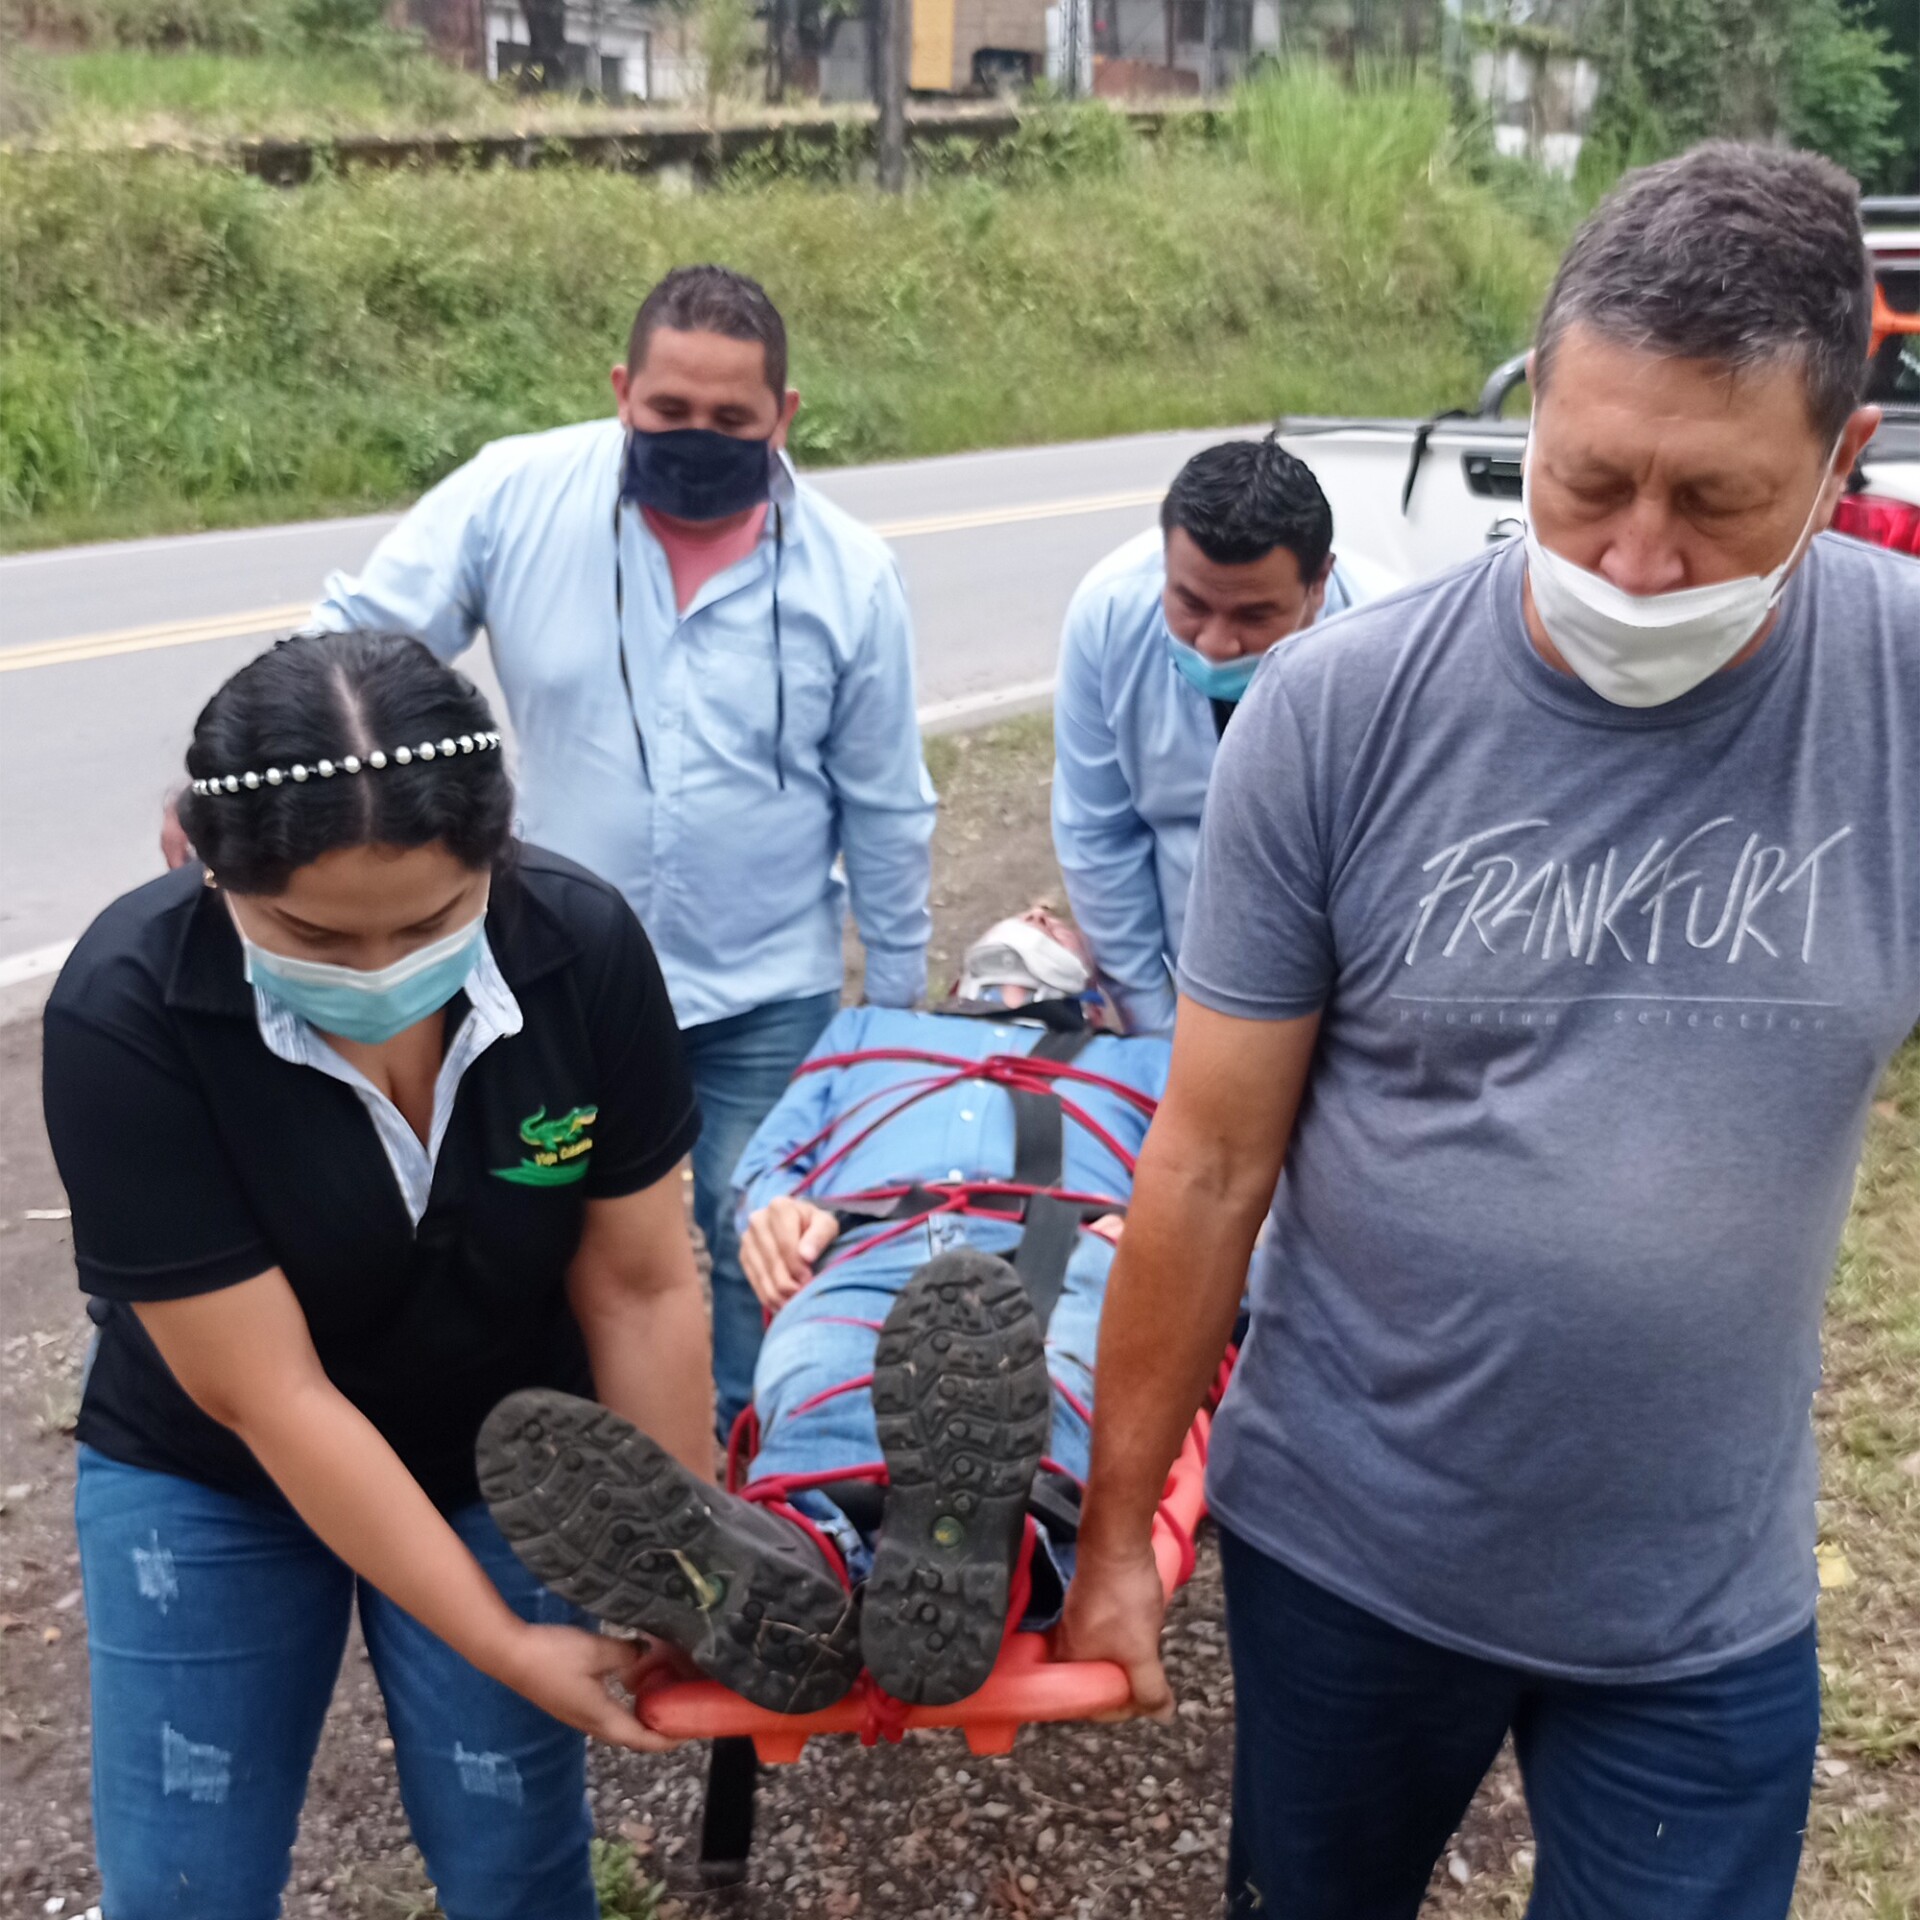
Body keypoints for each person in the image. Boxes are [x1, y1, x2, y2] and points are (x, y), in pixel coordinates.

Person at [1061, 142, 1920, 1920]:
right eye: (1587, 476)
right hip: (1351, 1556)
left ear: (1845, 464)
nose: (1638, 553)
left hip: (1703, 1599)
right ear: (1531, 401)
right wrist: (1117, 1536)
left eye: (1719, 501)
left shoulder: (1900, 697)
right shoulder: (1338, 712)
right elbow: (1213, 1157)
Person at [46, 631, 710, 1917]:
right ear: (193, 851)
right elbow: (268, 1395)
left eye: (430, 922)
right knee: (190, 1881)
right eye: (308, 933)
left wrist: (672, 1555)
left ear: (499, 855)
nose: (376, 974)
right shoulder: (123, 1012)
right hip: (213, 1471)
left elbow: (638, 1286)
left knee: (515, 1862)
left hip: (503, 1447)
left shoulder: (579, 948)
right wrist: (505, 1641)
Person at [306, 265, 938, 1430]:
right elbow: (357, 645)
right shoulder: (515, 498)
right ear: (621, 392)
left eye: (733, 421)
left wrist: (889, 1023)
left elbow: (888, 808)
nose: (699, 439)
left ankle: (774, 1491)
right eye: (669, 413)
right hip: (552, 983)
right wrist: (248, 775)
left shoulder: (851, 578)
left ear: (784, 417)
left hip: (763, 992)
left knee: (773, 1246)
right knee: (534, 1240)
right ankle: (559, 1479)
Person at [479, 910, 1169, 1713]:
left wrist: (1169, 1241)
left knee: (1046, 1372)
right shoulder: (863, 1034)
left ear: (1095, 994)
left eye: (1063, 919)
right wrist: (773, 1211)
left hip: (1077, 1238)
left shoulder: (1149, 1061)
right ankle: (809, 1565)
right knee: (822, 1381)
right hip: (861, 1236)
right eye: (1029, 910)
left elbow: (1225, 1189)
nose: (1044, 915)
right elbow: (770, 1164)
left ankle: (948, 1558)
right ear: (955, 976)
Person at [1051, 434, 1394, 1034]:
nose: (1214, 643)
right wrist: (1154, 1024)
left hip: (1342, 1002)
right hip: (1178, 988)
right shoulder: (1107, 615)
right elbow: (1100, 835)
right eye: (1190, 604)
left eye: (1253, 616)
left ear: (1318, 584)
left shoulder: (1393, 644)